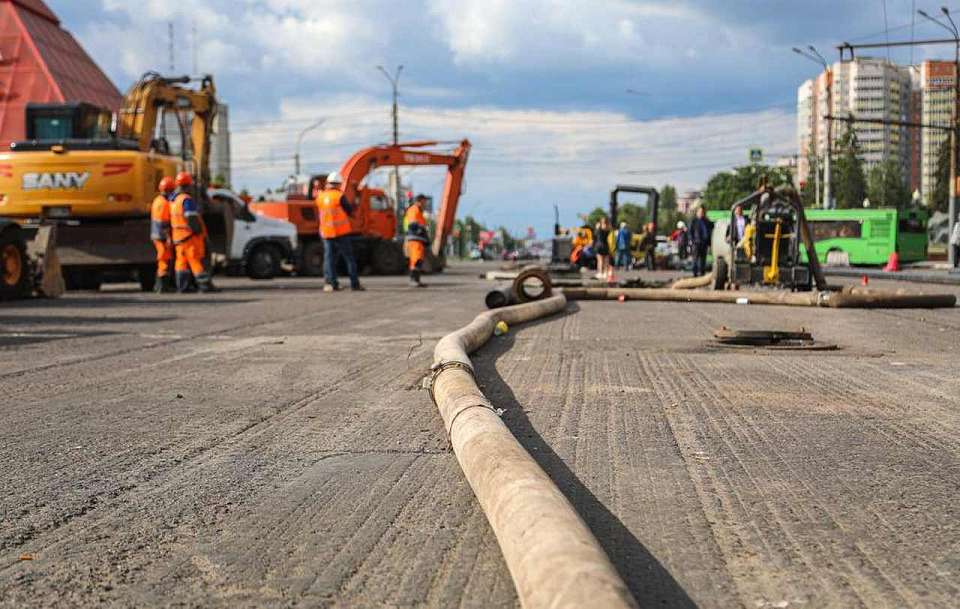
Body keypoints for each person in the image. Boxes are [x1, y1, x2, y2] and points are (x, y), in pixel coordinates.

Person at [170, 172, 218, 293]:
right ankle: (205, 286)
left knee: (181, 263)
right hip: (189, 236)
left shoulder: (174, 200)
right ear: (187, 185)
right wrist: (198, 232)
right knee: (196, 261)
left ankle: (183, 287)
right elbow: (191, 218)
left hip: (178, 237)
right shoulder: (186, 200)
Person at [317, 171, 363, 292]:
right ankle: (355, 284)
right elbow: (349, 210)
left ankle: (332, 283)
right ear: (338, 184)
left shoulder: (321, 197)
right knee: (349, 258)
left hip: (326, 233)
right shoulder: (339, 196)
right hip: (341, 232)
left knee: (329, 259)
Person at [150, 176, 176, 293]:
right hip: (161, 237)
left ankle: (159, 286)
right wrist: (168, 237)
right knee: (164, 261)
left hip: (157, 235)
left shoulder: (157, 200)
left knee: (163, 260)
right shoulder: (164, 203)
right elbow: (164, 223)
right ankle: (162, 287)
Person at [404, 194, 429, 287]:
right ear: (419, 201)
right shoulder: (413, 210)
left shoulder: (419, 211)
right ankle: (413, 280)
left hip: (418, 239)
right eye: (424, 202)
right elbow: (413, 223)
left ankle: (416, 280)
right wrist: (421, 229)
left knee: (418, 260)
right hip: (414, 239)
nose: (425, 204)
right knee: (416, 259)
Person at [689, 207, 713, 277]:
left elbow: (712, 226)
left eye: (702, 212)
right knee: (695, 259)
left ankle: (702, 273)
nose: (701, 213)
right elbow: (690, 232)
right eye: (700, 212)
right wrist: (692, 240)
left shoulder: (706, 221)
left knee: (703, 260)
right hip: (696, 243)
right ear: (697, 213)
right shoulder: (694, 221)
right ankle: (695, 274)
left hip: (704, 243)